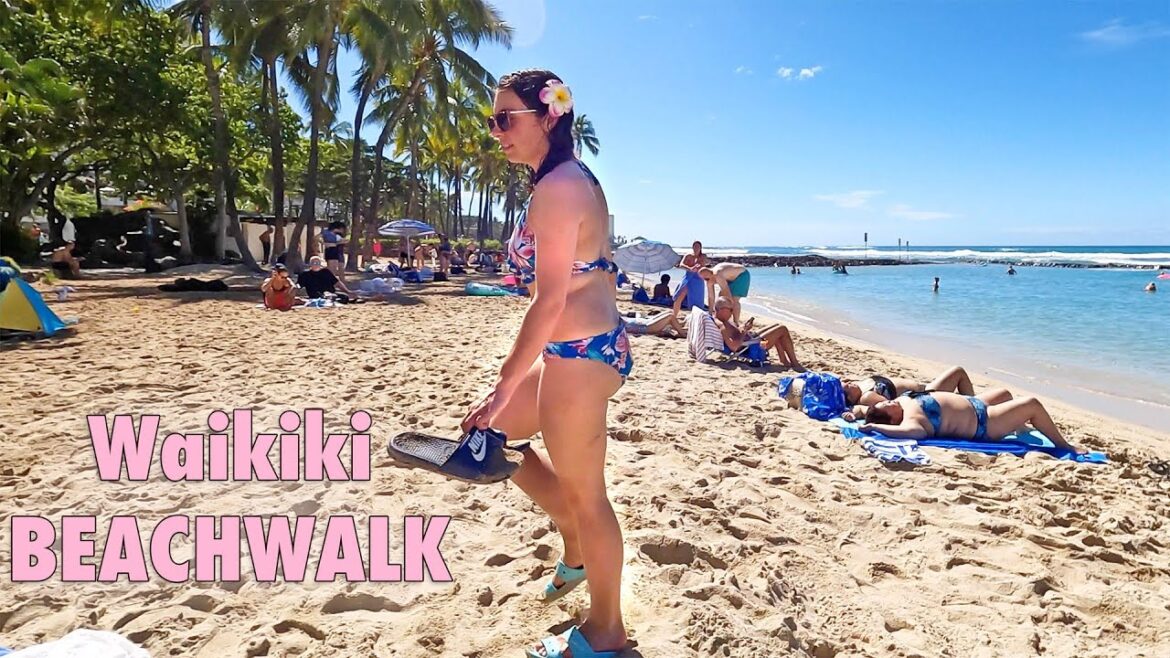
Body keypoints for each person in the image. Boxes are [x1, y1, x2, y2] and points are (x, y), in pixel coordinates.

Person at [461, 69, 629, 656]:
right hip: (578, 348)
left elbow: (550, 298)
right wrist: (502, 400)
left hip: (581, 357)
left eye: (507, 118)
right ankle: (574, 543)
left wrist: (502, 385)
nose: (497, 130)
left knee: (591, 497)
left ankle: (607, 632)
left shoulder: (557, 188)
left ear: (547, 117)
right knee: (497, 437)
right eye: (492, 119)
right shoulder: (561, 179)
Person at [862, 389, 1082, 453]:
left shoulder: (901, 404)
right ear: (891, 418)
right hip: (984, 422)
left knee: (1004, 393)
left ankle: (1018, 427)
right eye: (886, 406)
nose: (888, 401)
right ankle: (1065, 446)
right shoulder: (912, 421)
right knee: (1032, 403)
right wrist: (873, 427)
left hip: (976, 404)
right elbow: (914, 434)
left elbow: (864, 407)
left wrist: (859, 414)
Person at [843, 366, 975, 421]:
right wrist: (851, 414)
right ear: (848, 397)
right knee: (958, 372)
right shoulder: (867, 397)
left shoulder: (860, 385)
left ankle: (971, 403)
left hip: (925, 387)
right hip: (926, 394)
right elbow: (883, 410)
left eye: (846, 382)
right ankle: (974, 405)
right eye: (847, 387)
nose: (849, 383)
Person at [712, 296, 801, 368]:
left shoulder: (722, 320)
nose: (732, 312)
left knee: (777, 325)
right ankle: (795, 363)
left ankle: (784, 360)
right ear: (720, 309)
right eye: (730, 309)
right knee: (782, 329)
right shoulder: (722, 326)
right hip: (751, 346)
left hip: (748, 338)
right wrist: (744, 331)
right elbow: (734, 347)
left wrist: (743, 328)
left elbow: (734, 334)